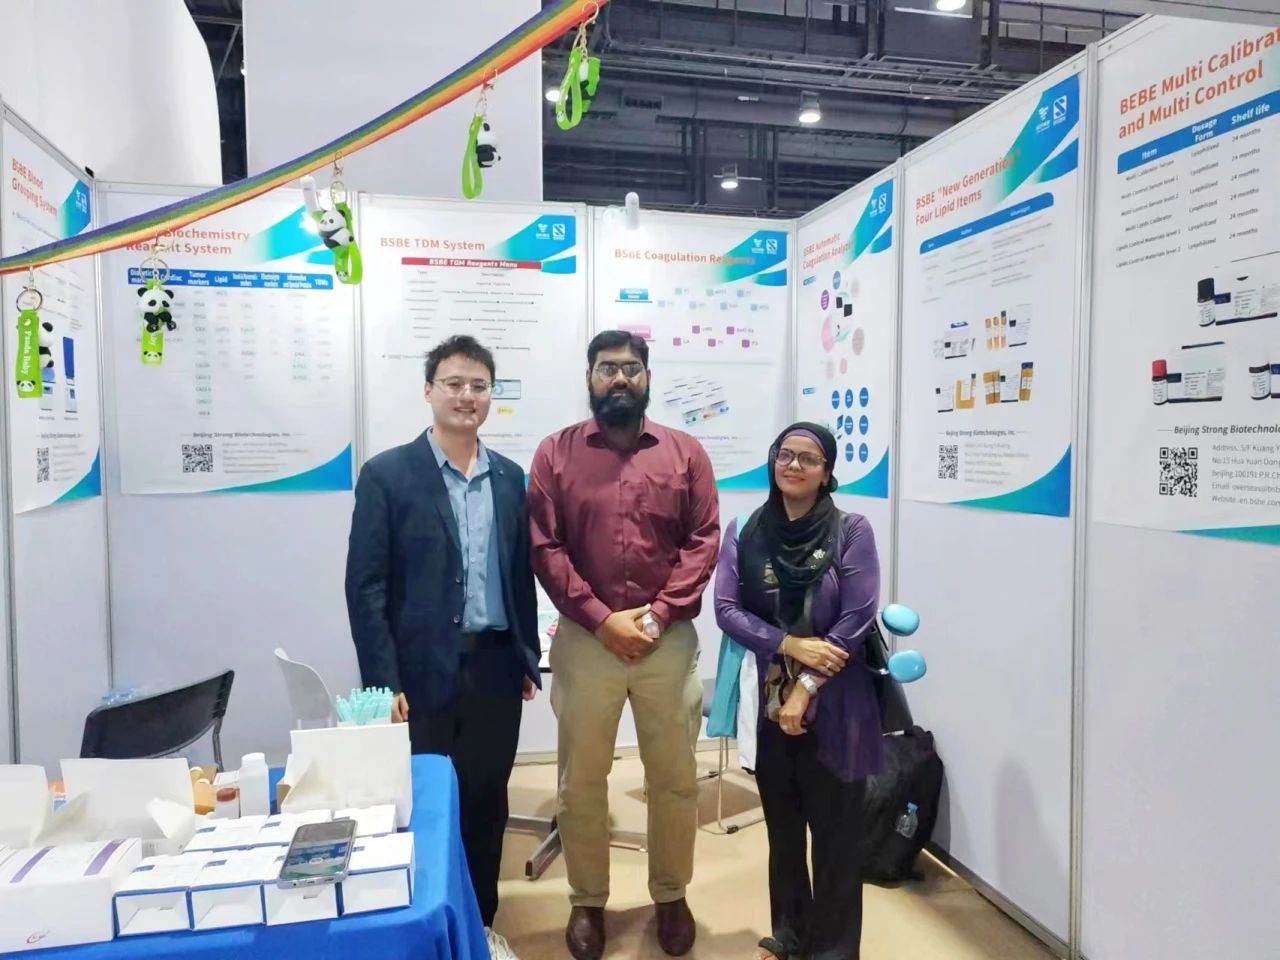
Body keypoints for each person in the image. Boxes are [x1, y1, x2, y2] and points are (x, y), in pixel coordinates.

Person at [345, 335, 540, 960]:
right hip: (419, 673)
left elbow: (519, 574)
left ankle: (480, 927)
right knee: (424, 801)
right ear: (429, 390)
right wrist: (383, 681)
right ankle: (423, 929)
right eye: (454, 383)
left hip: (494, 667)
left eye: (479, 386)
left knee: (486, 801)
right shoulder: (387, 475)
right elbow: (366, 587)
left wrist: (525, 655)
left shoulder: (509, 478)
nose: (466, 396)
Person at [527, 330, 720, 960]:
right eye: (607, 368)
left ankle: (671, 893)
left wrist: (658, 616)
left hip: (667, 642)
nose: (619, 379)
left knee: (675, 778)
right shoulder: (555, 454)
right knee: (581, 781)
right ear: (589, 378)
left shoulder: (685, 453)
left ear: (647, 378)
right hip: (587, 641)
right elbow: (545, 547)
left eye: (631, 369)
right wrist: (601, 619)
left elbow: (703, 540)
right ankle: (587, 901)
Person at [713, 422, 882, 960]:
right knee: (784, 833)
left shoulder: (851, 531)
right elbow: (726, 609)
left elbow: (856, 618)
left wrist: (807, 684)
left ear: (827, 473)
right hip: (771, 702)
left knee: (836, 839)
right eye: (785, 454)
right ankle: (789, 936)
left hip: (838, 706)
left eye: (808, 458)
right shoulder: (745, 530)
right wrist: (788, 643)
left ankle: (833, 951)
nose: (793, 465)